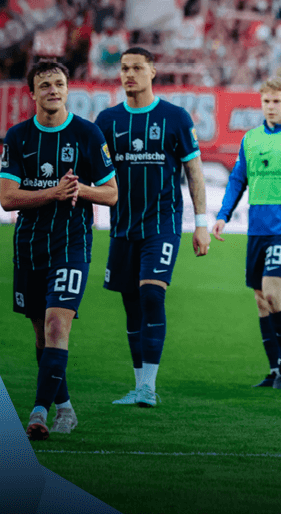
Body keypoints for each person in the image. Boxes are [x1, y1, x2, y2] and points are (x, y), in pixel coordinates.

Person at [1, 61, 117, 439]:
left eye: (60, 83)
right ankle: (65, 407)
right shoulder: (17, 137)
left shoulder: (87, 133)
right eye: (45, 85)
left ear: (68, 89)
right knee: (40, 334)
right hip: (30, 246)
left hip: (72, 243)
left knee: (56, 324)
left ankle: (38, 412)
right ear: (32, 94)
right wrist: (54, 192)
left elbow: (112, 193)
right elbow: (7, 199)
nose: (53, 89)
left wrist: (80, 190)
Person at [95, 47, 211, 408]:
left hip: (162, 224)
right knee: (132, 306)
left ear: (153, 72)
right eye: (124, 68)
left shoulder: (175, 117)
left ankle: (149, 387)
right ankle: (138, 384)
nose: (129, 74)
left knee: (151, 295)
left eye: (137, 68)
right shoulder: (107, 120)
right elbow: (95, 175)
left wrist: (201, 224)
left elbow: (194, 172)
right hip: (122, 227)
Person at [212, 77, 281, 389]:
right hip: (258, 227)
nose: (270, 107)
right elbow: (238, 179)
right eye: (266, 101)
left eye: (277, 101)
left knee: (272, 292)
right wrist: (223, 215)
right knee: (260, 299)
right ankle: (274, 370)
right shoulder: (251, 138)